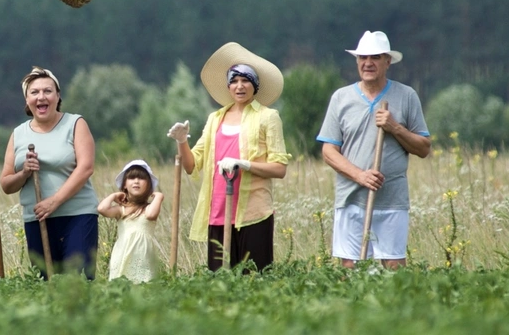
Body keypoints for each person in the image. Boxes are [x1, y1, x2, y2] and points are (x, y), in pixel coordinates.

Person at [167, 42, 291, 272]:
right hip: (218, 211)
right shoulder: (215, 118)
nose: (239, 86)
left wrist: (245, 164)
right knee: (220, 282)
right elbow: (191, 165)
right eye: (234, 81)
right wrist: (182, 142)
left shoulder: (268, 117)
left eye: (245, 80)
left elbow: (279, 168)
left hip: (254, 213)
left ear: (255, 85)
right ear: (228, 86)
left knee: (254, 278)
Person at [316, 30, 431, 270]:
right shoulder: (341, 98)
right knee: (350, 265)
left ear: (387, 61)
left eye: (376, 57)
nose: (368, 63)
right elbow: (329, 151)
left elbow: (423, 148)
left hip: (392, 198)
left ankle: (392, 308)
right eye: (363, 57)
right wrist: (361, 175)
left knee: (393, 265)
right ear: (357, 61)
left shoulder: (406, 96)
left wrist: (394, 127)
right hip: (351, 197)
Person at [0, 66, 99, 279]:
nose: (41, 97)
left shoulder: (75, 124)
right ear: (27, 100)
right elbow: (6, 184)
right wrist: (25, 172)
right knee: (44, 283)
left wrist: (54, 202)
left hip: (77, 216)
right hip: (36, 219)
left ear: (58, 96)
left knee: (77, 281)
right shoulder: (19, 134)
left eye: (48, 91)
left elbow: (85, 168)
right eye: (34, 92)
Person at [98, 159, 164, 283]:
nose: (136, 181)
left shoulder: (148, 209)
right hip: (122, 256)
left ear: (149, 185)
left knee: (144, 287)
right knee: (121, 287)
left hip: (143, 259)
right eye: (132, 178)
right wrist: (113, 196)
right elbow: (102, 209)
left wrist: (159, 196)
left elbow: (151, 215)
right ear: (124, 185)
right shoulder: (122, 210)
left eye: (141, 178)